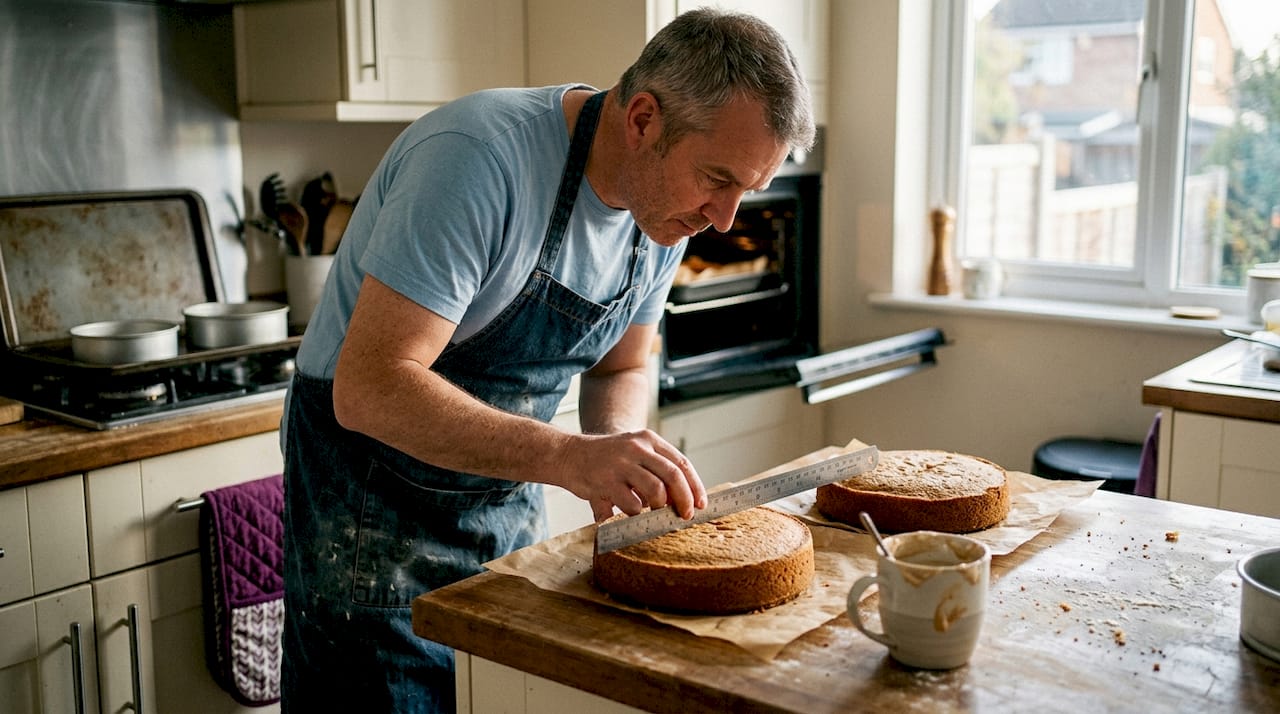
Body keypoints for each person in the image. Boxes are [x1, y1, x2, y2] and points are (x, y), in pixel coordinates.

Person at [279, 7, 816, 712]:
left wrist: (616, 452)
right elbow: (371, 388)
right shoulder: (477, 158)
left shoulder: (664, 214)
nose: (724, 219)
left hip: (503, 517)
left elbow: (622, 367)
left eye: (747, 190)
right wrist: (568, 457)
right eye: (718, 179)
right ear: (643, 119)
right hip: (370, 532)